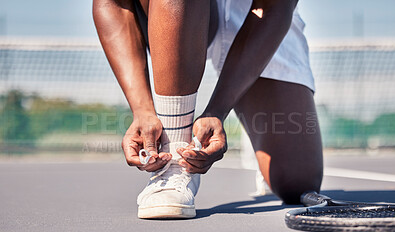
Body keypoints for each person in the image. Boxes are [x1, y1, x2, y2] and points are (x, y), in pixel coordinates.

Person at [93, 0, 323, 219]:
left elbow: (276, 7)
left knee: (297, 183)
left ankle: (254, 129)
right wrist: (142, 110)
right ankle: (175, 161)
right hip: (177, 12)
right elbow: (111, 3)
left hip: (261, 13)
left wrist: (217, 111)